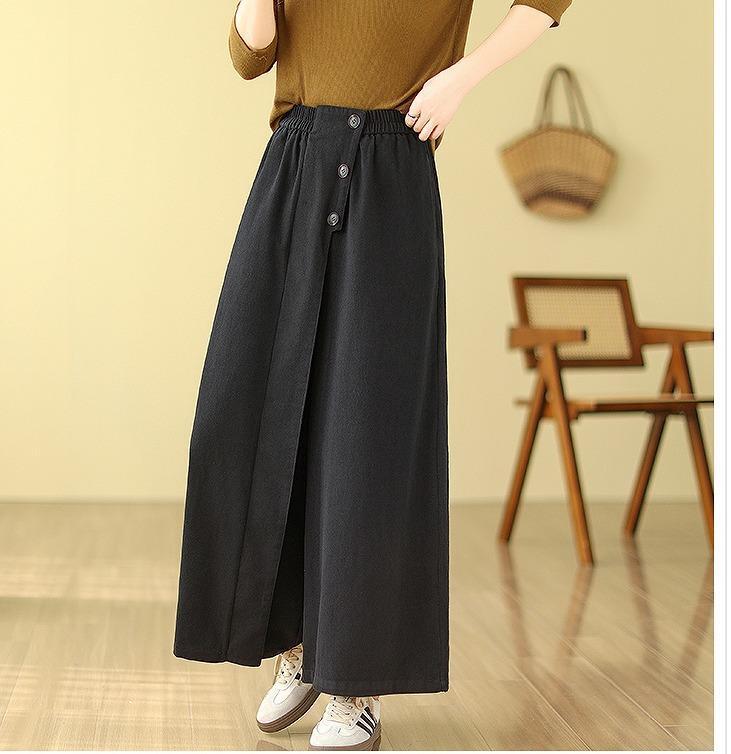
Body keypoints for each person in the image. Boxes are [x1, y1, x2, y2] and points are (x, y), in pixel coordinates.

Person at [174, 0, 572, 750]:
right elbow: (249, 54)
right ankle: (298, 645)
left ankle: (356, 682)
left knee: (367, 431)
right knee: (250, 408)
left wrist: (460, 77)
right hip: (294, 160)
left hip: (391, 165)